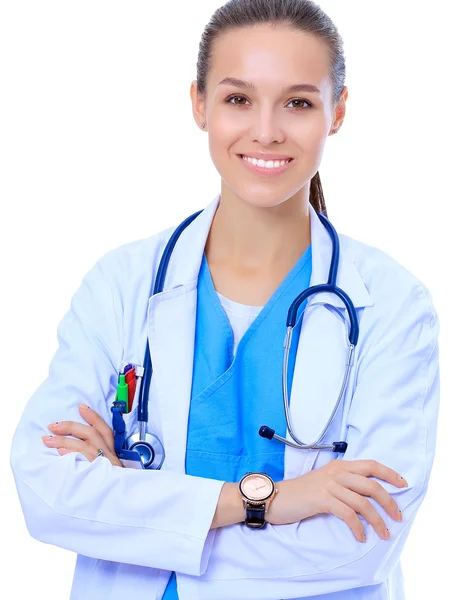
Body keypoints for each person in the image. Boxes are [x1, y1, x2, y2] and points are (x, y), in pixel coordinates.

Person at [10, 1, 440, 599]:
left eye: (298, 102)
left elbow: (361, 544)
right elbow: (48, 490)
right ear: (198, 104)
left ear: (337, 112)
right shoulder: (123, 285)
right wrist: (268, 503)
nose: (266, 130)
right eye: (238, 98)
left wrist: (139, 522)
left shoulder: (392, 305)